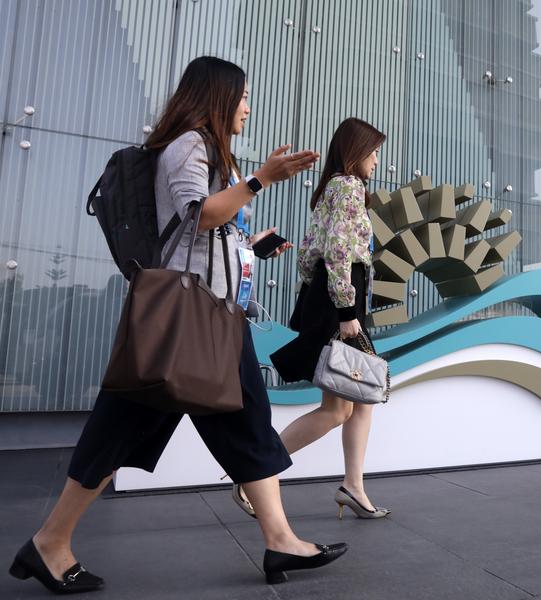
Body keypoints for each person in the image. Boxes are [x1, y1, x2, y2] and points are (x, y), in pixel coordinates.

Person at [8, 56, 346, 594]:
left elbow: (207, 233)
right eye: (242, 99)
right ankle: (50, 542)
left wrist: (252, 244)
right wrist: (260, 180)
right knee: (125, 433)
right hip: (189, 320)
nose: (248, 109)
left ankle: (280, 539)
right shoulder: (190, 143)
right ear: (218, 99)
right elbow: (196, 213)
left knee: (239, 425)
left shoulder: (208, 151)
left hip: (209, 316)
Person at [233, 118, 390, 521]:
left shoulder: (328, 191)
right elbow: (339, 253)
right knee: (340, 407)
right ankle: (257, 472)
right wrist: (346, 314)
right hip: (341, 301)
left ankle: (352, 486)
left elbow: (308, 257)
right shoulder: (350, 187)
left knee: (362, 395)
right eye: (373, 152)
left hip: (328, 296)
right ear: (356, 152)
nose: (376, 161)